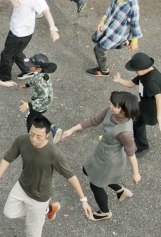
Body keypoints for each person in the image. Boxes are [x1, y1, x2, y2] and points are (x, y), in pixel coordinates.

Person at [0, 115, 93, 237]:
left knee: (33, 227)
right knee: (8, 213)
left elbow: (71, 176)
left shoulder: (54, 154)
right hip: (22, 186)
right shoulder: (22, 140)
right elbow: (7, 158)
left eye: (39, 136)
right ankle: (47, 210)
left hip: (39, 196)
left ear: (47, 135)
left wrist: (84, 200)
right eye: (32, 134)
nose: (34, 139)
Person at [60, 92, 141, 221]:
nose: (110, 106)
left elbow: (131, 153)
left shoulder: (125, 132)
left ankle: (105, 212)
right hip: (102, 152)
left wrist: (136, 173)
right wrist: (72, 130)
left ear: (124, 110)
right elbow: (94, 120)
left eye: (114, 105)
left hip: (110, 161)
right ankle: (121, 191)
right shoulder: (111, 111)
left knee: (96, 184)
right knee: (87, 170)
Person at [0, 0, 60, 82]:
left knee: (6, 55)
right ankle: (28, 69)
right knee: (17, 52)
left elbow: (46, 11)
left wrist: (53, 28)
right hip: (17, 28)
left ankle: (4, 78)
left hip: (20, 32)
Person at [87, 0, 144, 76]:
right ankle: (124, 42)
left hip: (117, 33)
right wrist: (102, 20)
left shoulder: (133, 6)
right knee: (95, 38)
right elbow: (110, 7)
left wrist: (135, 42)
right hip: (108, 25)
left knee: (98, 50)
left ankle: (103, 70)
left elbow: (135, 25)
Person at [113, 52, 161, 157]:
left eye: (136, 70)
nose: (135, 72)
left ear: (143, 68)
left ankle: (142, 147)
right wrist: (119, 80)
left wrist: (159, 118)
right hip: (144, 104)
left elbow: (159, 97)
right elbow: (131, 84)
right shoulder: (145, 73)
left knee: (137, 124)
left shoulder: (150, 80)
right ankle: (126, 136)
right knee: (135, 120)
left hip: (151, 109)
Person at [18, 54, 60, 140]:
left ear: (39, 69)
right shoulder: (41, 73)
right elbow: (34, 79)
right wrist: (27, 85)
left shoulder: (41, 82)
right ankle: (53, 127)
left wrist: (29, 105)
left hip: (41, 103)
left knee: (30, 119)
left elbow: (43, 97)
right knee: (37, 115)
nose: (28, 67)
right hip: (42, 102)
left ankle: (32, 136)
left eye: (31, 66)